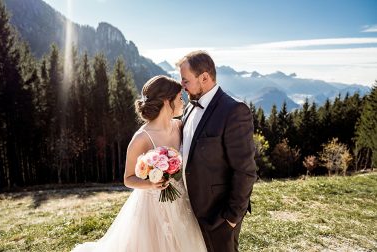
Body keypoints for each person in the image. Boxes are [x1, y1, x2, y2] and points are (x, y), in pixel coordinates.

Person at [71, 75, 207, 252]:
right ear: (167, 101)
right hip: (152, 207)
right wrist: (151, 183)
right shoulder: (142, 138)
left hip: (181, 200)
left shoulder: (179, 126)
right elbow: (128, 179)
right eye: (179, 98)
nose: (183, 102)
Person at [177, 51, 257, 252]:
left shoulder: (234, 111)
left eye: (185, 80)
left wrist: (231, 218)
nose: (182, 86)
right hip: (190, 213)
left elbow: (245, 170)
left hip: (218, 218)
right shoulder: (188, 109)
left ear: (204, 77)